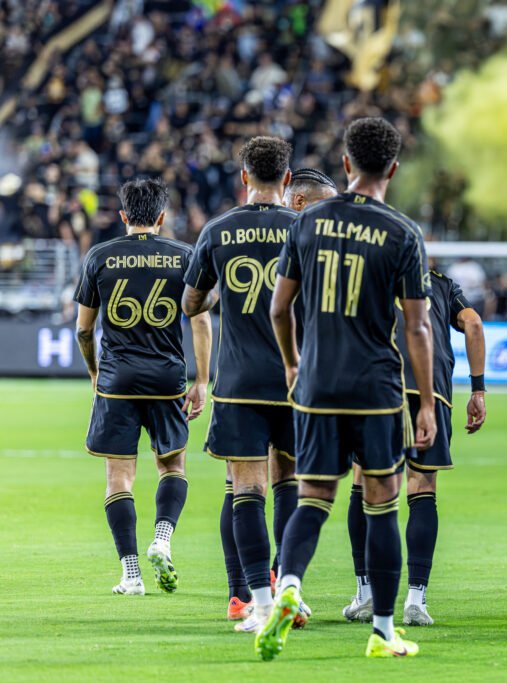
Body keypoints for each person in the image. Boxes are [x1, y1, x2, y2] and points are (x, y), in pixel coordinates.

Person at [257, 117, 436, 660]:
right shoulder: (403, 233)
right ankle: (383, 631)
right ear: (394, 169)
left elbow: (278, 307)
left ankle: (287, 586)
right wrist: (426, 402)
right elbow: (418, 326)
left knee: (313, 497)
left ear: (346, 164)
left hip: (315, 383)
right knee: (381, 500)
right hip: (376, 387)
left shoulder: (306, 223)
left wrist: (292, 364)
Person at [181, 136, 305, 631]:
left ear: (245, 178)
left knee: (246, 489)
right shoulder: (305, 227)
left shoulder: (218, 229)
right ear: (288, 179)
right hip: (298, 381)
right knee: (291, 485)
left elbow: (191, 303)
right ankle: (292, 588)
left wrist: (222, 299)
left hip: (238, 382)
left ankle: (256, 603)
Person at [74, 178, 211, 596]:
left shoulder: (99, 256)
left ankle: (131, 574)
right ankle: (163, 539)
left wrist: (96, 372)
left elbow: (84, 329)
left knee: (119, 478)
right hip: (167, 379)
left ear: (122, 216)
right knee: (172, 466)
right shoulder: (184, 255)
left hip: (117, 380)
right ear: (162, 216)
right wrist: (202, 379)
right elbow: (201, 320)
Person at [344, 269, 488, 626]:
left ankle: (366, 593)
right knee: (423, 486)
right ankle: (416, 599)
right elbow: (473, 324)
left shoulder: (369, 273)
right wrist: (478, 389)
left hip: (380, 384)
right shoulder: (441, 284)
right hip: (431, 387)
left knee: (365, 483)